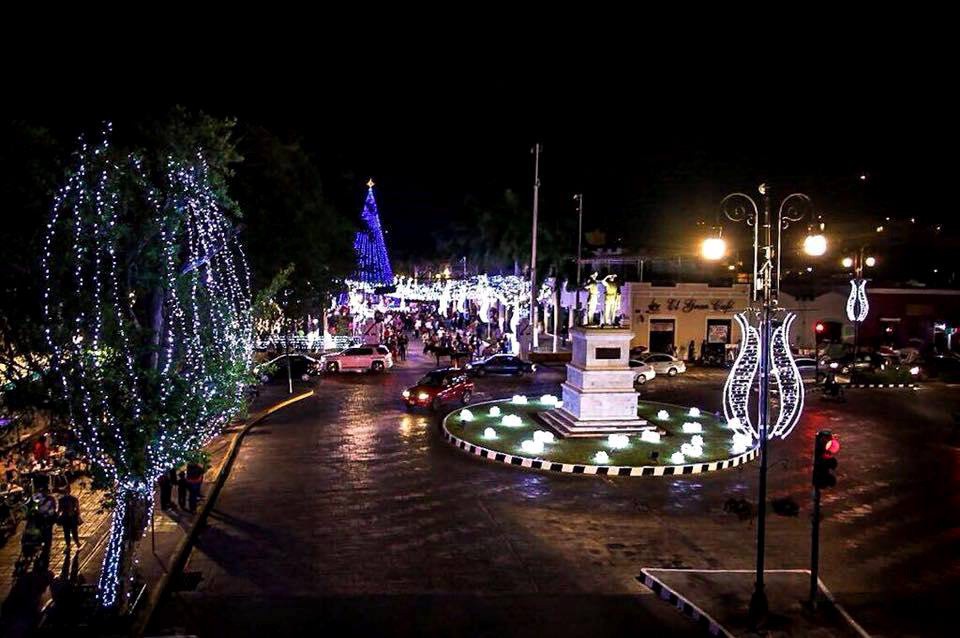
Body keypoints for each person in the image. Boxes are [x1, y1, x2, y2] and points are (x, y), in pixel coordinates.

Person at [58, 485, 81, 551]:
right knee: (72, 532)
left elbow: (59, 510)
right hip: (71, 517)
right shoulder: (74, 499)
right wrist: (78, 515)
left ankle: (70, 545)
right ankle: (76, 543)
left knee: (67, 532)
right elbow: (77, 509)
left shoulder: (61, 500)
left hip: (67, 517)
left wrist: (57, 516)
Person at [37, 486, 58, 553]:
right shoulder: (39, 499)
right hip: (41, 518)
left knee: (48, 532)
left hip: (48, 519)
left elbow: (53, 508)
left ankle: (47, 546)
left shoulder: (51, 499)